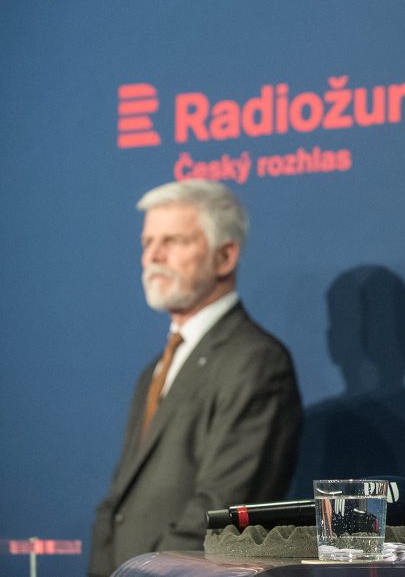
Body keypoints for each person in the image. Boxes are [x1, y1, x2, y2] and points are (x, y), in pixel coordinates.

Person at [88, 180, 303, 577]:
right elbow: (118, 507)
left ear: (224, 256)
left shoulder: (256, 361)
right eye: (147, 241)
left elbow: (220, 513)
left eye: (173, 240)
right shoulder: (154, 369)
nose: (153, 255)